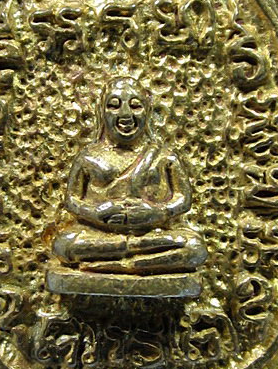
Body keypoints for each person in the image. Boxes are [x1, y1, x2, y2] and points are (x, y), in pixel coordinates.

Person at [52, 76, 207, 275]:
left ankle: (124, 263)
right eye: (114, 106)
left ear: (147, 112)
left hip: (150, 234)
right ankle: (134, 257)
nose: (125, 114)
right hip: (100, 235)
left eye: (135, 106)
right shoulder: (88, 157)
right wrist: (96, 212)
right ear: (102, 112)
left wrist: (157, 212)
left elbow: (183, 200)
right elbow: (71, 200)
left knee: (194, 247)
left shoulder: (163, 157)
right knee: (63, 245)